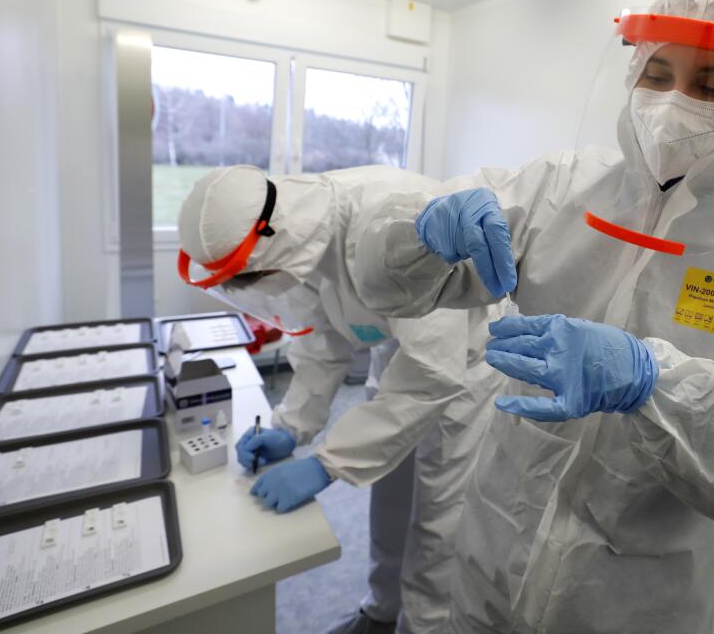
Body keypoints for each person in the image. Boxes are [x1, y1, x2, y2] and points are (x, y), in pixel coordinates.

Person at [349, 0, 714, 632]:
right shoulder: (556, 190)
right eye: (658, 74)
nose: (676, 102)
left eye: (712, 84)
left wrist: (656, 385)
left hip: (638, 601)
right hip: (494, 552)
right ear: (632, 75)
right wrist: (417, 232)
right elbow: (381, 284)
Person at [177, 164, 504, 634]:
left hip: (468, 365)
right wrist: (290, 427)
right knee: (390, 493)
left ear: (266, 245)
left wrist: (328, 464)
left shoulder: (394, 220)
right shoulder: (302, 238)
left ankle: (423, 627)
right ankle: (382, 609)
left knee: (438, 518)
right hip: (400, 351)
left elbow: (434, 370)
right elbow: (320, 339)